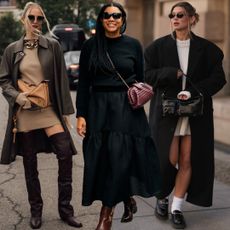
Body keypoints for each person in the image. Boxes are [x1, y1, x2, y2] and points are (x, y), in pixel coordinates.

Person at [76, 2, 161, 230]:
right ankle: (126, 197)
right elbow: (84, 83)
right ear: (101, 19)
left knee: (119, 157)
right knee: (103, 160)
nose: (111, 19)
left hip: (125, 109)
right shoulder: (90, 46)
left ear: (123, 20)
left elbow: (140, 79)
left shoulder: (133, 45)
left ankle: (106, 216)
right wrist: (81, 114)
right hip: (98, 108)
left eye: (116, 15)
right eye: (107, 15)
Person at [0, 2, 82, 229]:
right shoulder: (12, 49)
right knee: (29, 162)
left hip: (48, 109)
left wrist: (66, 112)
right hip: (25, 111)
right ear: (23, 20)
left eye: (39, 18)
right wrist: (17, 97)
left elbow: (62, 80)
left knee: (65, 152)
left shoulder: (52, 46)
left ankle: (66, 210)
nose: (35, 22)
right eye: (31, 18)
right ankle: (36, 211)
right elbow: (4, 80)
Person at [144, 1, 226, 229]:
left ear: (192, 18)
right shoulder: (156, 48)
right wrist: (171, 73)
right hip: (166, 112)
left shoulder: (208, 49)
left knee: (188, 159)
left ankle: (176, 207)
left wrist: (194, 91)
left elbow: (218, 79)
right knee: (167, 160)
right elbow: (147, 75)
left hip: (195, 113)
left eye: (180, 15)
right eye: (172, 15)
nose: (175, 18)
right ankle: (162, 195)